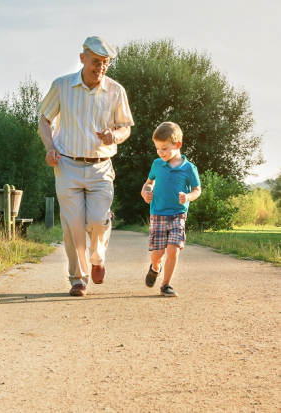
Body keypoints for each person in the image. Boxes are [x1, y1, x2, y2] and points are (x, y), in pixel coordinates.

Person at [38, 36, 135, 296]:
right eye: (96, 62)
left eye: (105, 63)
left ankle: (98, 258)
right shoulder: (62, 86)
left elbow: (125, 127)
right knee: (73, 225)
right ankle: (78, 279)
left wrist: (114, 136)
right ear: (82, 58)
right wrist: (50, 148)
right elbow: (44, 120)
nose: (100, 68)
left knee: (98, 220)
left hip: (101, 166)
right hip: (67, 165)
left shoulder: (116, 91)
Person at [140, 122, 201, 297]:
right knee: (157, 254)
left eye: (164, 148)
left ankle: (166, 284)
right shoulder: (157, 164)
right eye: (158, 148)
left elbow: (197, 190)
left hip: (178, 214)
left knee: (173, 250)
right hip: (158, 214)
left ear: (177, 145)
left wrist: (188, 197)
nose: (160, 152)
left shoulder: (189, 168)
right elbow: (148, 183)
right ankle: (155, 268)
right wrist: (146, 192)